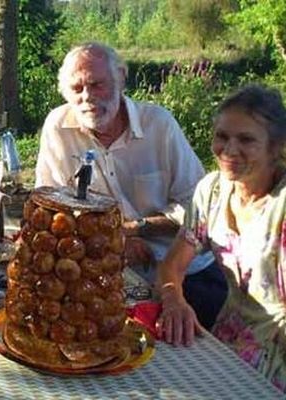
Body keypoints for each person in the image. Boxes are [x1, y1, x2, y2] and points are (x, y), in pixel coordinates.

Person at [35, 42, 227, 329]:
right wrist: (114, 239)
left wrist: (137, 227)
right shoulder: (58, 127)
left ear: (121, 78)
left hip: (184, 274)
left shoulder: (159, 125)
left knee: (190, 359)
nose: (87, 97)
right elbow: (51, 207)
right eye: (77, 89)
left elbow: (199, 211)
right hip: (100, 271)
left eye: (97, 84)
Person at [156, 84, 286, 392]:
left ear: (277, 147)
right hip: (226, 336)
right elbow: (172, 265)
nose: (228, 149)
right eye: (222, 136)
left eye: (246, 139)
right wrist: (174, 299)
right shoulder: (212, 191)